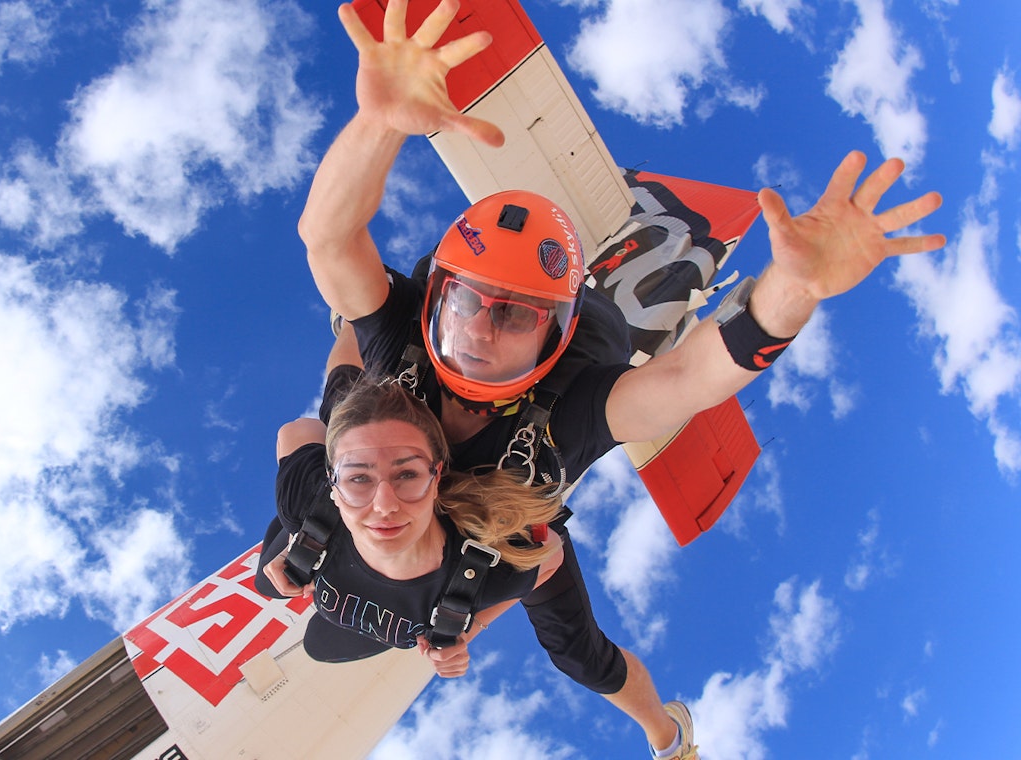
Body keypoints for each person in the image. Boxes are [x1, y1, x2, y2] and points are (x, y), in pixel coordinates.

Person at [296, 1, 946, 757]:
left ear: (555, 338)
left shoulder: (570, 411)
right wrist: (378, 123)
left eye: (512, 318)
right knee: (344, 376)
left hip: (518, 538)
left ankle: (669, 735)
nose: (476, 332)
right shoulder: (401, 336)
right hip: (441, 504)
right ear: (436, 295)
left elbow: (690, 379)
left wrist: (791, 290)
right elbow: (327, 238)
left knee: (579, 653)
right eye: (467, 303)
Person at [255, 373, 566, 677]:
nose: (385, 506)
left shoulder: (488, 575)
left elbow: (297, 431)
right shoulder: (304, 502)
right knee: (342, 389)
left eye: (407, 475)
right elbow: (296, 431)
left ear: (436, 479)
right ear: (332, 486)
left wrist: (303, 532)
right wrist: (468, 628)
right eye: (359, 478)